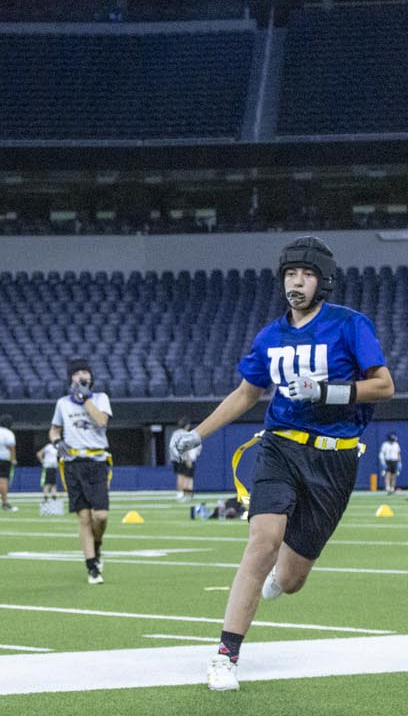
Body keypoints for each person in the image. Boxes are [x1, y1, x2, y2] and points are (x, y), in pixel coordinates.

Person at [167, 237, 390, 692]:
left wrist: (327, 392)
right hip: (280, 447)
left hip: (334, 458)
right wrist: (198, 434)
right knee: (263, 539)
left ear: (323, 280)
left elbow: (384, 386)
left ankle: (278, 578)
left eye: (306, 274)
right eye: (290, 274)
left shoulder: (350, 325)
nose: (297, 282)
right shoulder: (270, 336)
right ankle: (226, 655)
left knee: (291, 580)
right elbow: (247, 393)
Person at [50, 360, 113, 583]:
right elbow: (54, 430)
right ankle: (91, 566)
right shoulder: (62, 404)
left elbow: (101, 421)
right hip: (73, 463)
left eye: (85, 372)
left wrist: (85, 399)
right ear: (70, 379)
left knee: (100, 516)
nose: (81, 376)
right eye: (76, 373)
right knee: (84, 516)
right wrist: (57, 442)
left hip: (97, 461)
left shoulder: (101, 398)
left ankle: (97, 544)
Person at [172, 428, 200, 504]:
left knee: (190, 477)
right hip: (187, 460)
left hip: (191, 460)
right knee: (185, 477)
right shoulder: (188, 440)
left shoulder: (194, 440)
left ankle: (188, 494)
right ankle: (182, 494)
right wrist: (188, 459)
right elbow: (186, 450)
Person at [39, 437, 62, 506]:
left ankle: (54, 498)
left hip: (54, 467)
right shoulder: (48, 447)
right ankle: (45, 498)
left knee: (53, 483)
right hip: (47, 467)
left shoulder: (58, 447)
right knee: (47, 483)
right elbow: (39, 454)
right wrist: (43, 462)